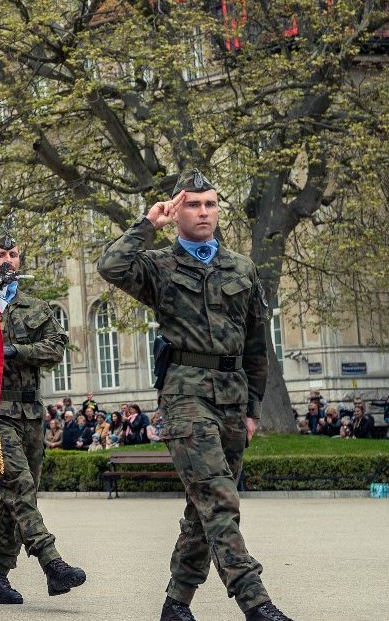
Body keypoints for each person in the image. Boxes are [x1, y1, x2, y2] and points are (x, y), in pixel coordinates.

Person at [97, 169, 293, 621]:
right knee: (220, 498)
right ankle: (256, 602)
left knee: (201, 508)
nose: (203, 212)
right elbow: (111, 266)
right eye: (193, 205)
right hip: (185, 395)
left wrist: (253, 409)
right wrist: (150, 223)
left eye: (210, 204)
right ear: (178, 210)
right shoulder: (160, 266)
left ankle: (176, 603)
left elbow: (257, 346)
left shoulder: (241, 268)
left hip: (232, 397)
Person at [0, 230, 86, 605]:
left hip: (31, 413)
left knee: (18, 494)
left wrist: (16, 350)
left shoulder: (35, 308)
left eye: (13, 254)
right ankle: (51, 562)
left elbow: (57, 347)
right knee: (20, 484)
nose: (7, 260)